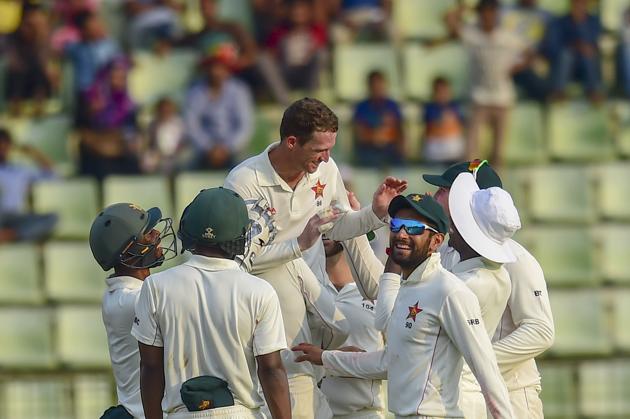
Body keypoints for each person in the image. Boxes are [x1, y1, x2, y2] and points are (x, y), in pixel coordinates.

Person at [224, 97, 406, 418]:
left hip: (313, 290)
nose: (326, 158)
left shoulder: (326, 169)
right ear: (292, 142)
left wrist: (375, 213)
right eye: (319, 150)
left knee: (337, 333)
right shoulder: (245, 181)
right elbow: (240, 259)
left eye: (330, 149)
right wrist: (298, 245)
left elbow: (340, 223)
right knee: (288, 377)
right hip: (267, 295)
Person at [292, 193, 514, 418]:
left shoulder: (449, 291)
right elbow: (389, 361)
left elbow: (486, 370)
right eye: (397, 225)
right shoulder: (406, 288)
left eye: (414, 228)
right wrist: (325, 358)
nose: (402, 234)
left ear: (437, 241)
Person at [132, 187, 291, 419]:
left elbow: (151, 367)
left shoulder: (156, 286)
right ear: (241, 236)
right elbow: (271, 369)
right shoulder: (260, 291)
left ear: (187, 231)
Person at [422, 160, 554, 418]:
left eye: (443, 189)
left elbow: (540, 331)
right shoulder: (448, 251)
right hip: (468, 393)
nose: (434, 194)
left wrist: (477, 364)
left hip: (513, 393)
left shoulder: (516, 259)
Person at [89, 202, 177, 419]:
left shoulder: (119, 294)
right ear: (128, 251)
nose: (157, 234)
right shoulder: (132, 300)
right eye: (147, 233)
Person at [446, 0, 528, 168]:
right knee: (471, 150)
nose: (488, 16)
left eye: (492, 12)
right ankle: (469, 186)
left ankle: (496, 188)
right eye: (485, 12)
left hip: (502, 98)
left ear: (496, 14)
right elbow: (450, 22)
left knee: (498, 152)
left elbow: (528, 52)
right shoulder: (473, 35)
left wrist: (516, 67)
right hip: (479, 98)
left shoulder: (507, 37)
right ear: (480, 15)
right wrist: (462, 9)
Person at [184, 44, 254, 170]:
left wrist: (226, 148)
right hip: (203, 151)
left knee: (246, 171)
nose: (215, 72)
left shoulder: (239, 90)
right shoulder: (195, 92)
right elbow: (191, 125)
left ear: (227, 69)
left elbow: (245, 126)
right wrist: (209, 148)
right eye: (212, 67)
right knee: (185, 168)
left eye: (220, 67)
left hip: (233, 150)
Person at [260, 0, 328, 104]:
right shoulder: (279, 31)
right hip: (285, 73)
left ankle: (309, 101)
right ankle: (284, 101)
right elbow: (270, 53)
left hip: (306, 72)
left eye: (301, 9)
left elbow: (320, 50)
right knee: (263, 59)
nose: (297, 13)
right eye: (294, 9)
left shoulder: (316, 30)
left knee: (321, 54)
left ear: (309, 11)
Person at [0, 128, 57, 243]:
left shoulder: (19, 170)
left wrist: (33, 152)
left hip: (15, 216)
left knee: (52, 218)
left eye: (5, 144)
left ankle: (10, 235)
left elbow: (52, 174)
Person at [546, 0, 603, 102]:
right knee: (566, 55)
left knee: (588, 54)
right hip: (564, 66)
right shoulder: (559, 22)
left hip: (586, 65)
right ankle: (559, 91)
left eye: (582, 4)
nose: (579, 7)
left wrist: (580, 24)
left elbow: (596, 44)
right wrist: (576, 46)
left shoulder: (593, 22)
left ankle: (593, 91)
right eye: (576, 3)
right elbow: (553, 47)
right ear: (571, 4)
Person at [501, 0, 551, 101]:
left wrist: (529, 59)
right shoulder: (504, 12)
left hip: (533, 66)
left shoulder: (547, 17)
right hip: (508, 64)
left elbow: (551, 46)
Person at [352, 70, 404, 168]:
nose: (377, 88)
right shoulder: (361, 107)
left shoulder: (392, 106)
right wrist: (375, 136)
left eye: (380, 85)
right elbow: (359, 134)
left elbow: (399, 130)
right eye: (374, 85)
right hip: (369, 149)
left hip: (390, 149)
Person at [422, 76, 466, 165]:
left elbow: (460, 126)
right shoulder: (429, 108)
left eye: (445, 91)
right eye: (439, 92)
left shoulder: (455, 107)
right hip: (435, 151)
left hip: (454, 151)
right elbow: (430, 128)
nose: (442, 95)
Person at [141, 97, 186, 175]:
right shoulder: (153, 125)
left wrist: (176, 151)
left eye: (168, 110)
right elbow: (148, 143)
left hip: (175, 156)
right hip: (158, 156)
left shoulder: (179, 124)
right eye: (162, 111)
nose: (165, 113)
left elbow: (183, 143)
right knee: (147, 161)